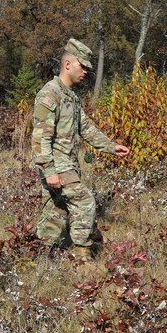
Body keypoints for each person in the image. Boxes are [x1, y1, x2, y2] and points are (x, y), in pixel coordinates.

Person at [32, 38, 129, 259]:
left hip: (68, 165)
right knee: (85, 201)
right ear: (68, 65)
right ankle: (82, 257)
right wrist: (50, 171)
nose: (85, 71)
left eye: (87, 68)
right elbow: (39, 139)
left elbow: (86, 128)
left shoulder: (72, 96)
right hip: (57, 166)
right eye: (82, 66)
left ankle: (35, 255)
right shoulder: (50, 94)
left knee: (59, 210)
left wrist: (112, 147)